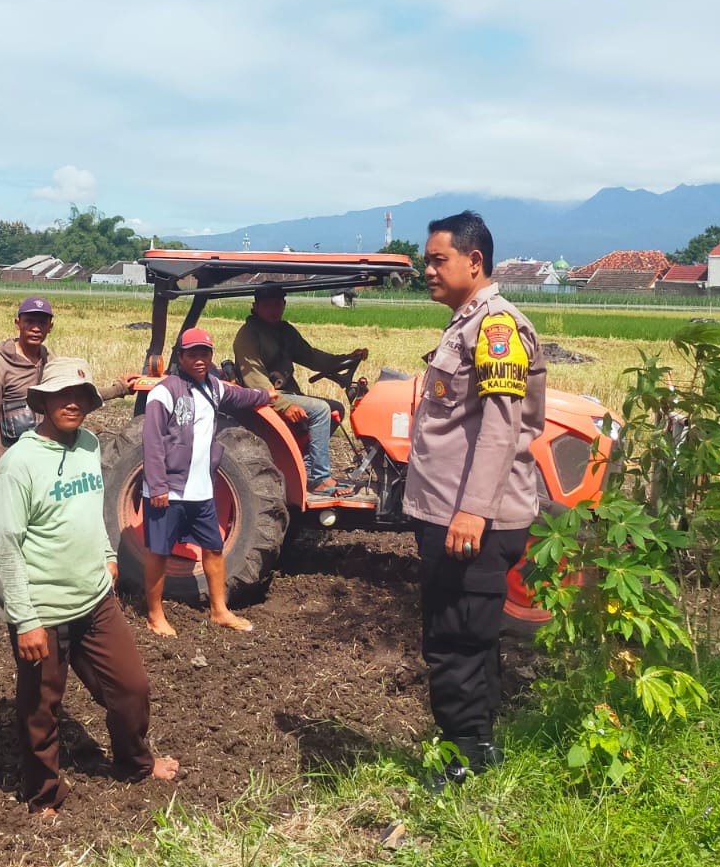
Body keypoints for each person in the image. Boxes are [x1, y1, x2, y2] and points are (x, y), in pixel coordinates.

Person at [0, 356, 179, 815]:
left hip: (96, 599)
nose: (71, 404)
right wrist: (26, 619)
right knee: (40, 709)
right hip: (43, 608)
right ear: (45, 401)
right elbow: (4, 545)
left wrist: (109, 556)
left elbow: (91, 511)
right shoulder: (20, 463)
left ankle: (135, 761)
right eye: (61, 396)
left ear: (89, 404)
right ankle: (45, 795)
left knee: (131, 688)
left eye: (79, 397)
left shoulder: (89, 445)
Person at [403, 211, 546, 788]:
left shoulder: (495, 328)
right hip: (455, 512)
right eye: (428, 259)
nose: (428, 270)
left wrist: (473, 510)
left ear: (474, 262)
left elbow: (500, 426)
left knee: (455, 639)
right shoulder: (466, 324)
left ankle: (462, 766)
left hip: (470, 518)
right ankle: (480, 752)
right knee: (470, 636)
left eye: (438, 260)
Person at [141, 327, 273, 636]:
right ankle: (154, 615)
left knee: (213, 547)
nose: (199, 359)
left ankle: (220, 610)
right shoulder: (165, 391)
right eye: (192, 354)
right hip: (169, 490)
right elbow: (152, 440)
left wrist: (268, 395)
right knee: (158, 551)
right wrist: (158, 486)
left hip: (200, 490)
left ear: (211, 356)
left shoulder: (214, 387)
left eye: (204, 353)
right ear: (181, 357)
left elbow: (242, 395)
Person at [231, 283, 368, 497]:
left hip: (286, 394)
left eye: (278, 304)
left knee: (335, 409)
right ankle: (320, 479)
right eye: (268, 305)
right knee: (321, 410)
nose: (274, 309)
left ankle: (304, 467)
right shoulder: (248, 334)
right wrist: (284, 405)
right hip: (263, 398)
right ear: (255, 306)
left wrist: (346, 358)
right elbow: (255, 381)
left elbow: (311, 357)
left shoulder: (284, 330)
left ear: (284, 305)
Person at [0, 296, 53, 489]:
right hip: (8, 464)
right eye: (30, 321)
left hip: (40, 462)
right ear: (18, 324)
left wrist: (119, 389)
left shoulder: (49, 361)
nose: (36, 328)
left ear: (50, 327)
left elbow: (74, 396)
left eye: (42, 323)